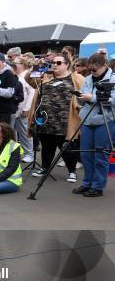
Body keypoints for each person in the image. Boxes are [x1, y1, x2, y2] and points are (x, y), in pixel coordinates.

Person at [26, 53, 84, 182]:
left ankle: (72, 171)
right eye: (53, 63)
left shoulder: (76, 78)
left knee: (67, 147)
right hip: (45, 120)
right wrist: (37, 65)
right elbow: (29, 79)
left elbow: (84, 94)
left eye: (58, 63)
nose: (54, 65)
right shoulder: (45, 76)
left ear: (67, 64)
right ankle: (45, 168)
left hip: (65, 121)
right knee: (46, 146)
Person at [73, 53, 115, 197]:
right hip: (87, 120)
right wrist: (81, 98)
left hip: (104, 120)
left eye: (95, 69)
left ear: (105, 66)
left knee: (100, 154)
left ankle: (97, 186)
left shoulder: (113, 79)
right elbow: (84, 98)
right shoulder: (88, 79)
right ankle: (87, 183)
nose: (92, 72)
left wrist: (93, 97)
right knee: (85, 154)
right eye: (90, 69)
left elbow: (113, 100)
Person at [12, 56, 35, 163]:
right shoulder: (16, 75)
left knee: (25, 132)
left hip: (23, 109)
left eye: (15, 63)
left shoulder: (28, 74)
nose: (13, 64)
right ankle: (15, 152)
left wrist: (27, 108)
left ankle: (29, 154)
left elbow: (33, 92)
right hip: (15, 108)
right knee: (13, 132)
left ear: (22, 64)